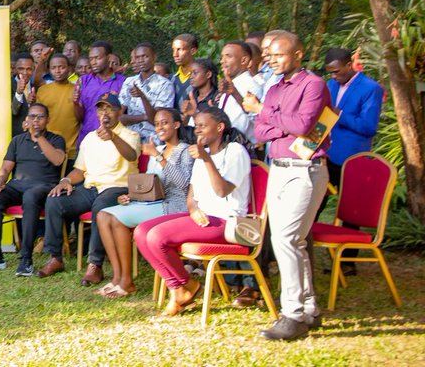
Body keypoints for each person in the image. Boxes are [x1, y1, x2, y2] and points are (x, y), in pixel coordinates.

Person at [251, 32, 331, 341]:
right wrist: (277, 120)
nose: (271, 59)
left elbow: (302, 126)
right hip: (279, 169)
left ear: (298, 54)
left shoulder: (313, 85)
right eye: (269, 55)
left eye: (278, 54)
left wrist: (265, 112)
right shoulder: (274, 88)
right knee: (290, 240)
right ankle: (309, 310)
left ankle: (292, 313)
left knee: (286, 239)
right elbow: (261, 132)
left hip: (306, 170)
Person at [135, 108, 251, 316]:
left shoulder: (235, 151)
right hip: (203, 218)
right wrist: (193, 209)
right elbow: (191, 193)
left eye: (202, 126)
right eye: (196, 126)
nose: (197, 130)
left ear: (220, 127)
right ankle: (183, 287)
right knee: (142, 231)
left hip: (227, 221)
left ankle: (182, 287)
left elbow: (222, 190)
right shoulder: (201, 155)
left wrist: (207, 159)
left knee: (157, 236)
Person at [36, 92, 139, 286]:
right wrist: (65, 180)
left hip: (117, 189)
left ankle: (95, 264)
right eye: (101, 109)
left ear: (119, 112)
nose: (105, 113)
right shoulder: (90, 138)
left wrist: (113, 137)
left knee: (100, 206)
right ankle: (56, 257)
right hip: (90, 187)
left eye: (109, 109)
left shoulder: (130, 135)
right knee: (55, 200)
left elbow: (132, 156)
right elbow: (80, 170)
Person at [95, 108, 193, 297]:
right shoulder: (160, 149)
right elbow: (150, 184)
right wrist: (132, 196)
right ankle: (118, 277)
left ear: (177, 124)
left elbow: (183, 184)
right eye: (156, 124)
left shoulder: (185, 150)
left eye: (164, 122)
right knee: (104, 215)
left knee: (115, 219)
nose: (160, 127)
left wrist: (157, 156)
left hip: (174, 206)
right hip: (154, 203)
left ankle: (126, 282)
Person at [0, 103, 65, 276]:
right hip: (17, 185)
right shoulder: (18, 140)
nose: (36, 120)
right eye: (32, 116)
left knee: (31, 197)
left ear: (48, 120)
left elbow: (57, 160)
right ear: (26, 119)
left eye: (40, 117)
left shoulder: (56, 139)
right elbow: (6, 168)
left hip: (44, 186)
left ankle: (26, 259)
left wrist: (38, 136)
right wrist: (0, 179)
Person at [323, 47, 382, 189]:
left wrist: (340, 115)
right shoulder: (331, 85)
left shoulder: (370, 88)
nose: (333, 76)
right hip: (325, 157)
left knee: (350, 206)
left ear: (349, 65)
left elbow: (369, 127)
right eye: (330, 73)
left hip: (351, 157)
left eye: (336, 71)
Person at [118, 43, 175, 145]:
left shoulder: (165, 85)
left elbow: (155, 120)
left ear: (154, 57)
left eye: (145, 56)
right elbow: (119, 117)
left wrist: (143, 96)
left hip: (153, 142)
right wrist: (145, 117)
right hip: (129, 141)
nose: (140, 60)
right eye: (138, 57)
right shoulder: (129, 82)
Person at [74, 42, 125, 145]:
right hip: (87, 140)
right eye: (91, 58)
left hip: (113, 140)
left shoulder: (123, 82)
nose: (93, 62)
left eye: (97, 58)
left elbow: (123, 115)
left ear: (109, 57)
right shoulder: (83, 81)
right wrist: (75, 103)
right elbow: (80, 118)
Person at [34, 54, 79, 160]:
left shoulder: (77, 90)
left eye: (61, 67)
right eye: (53, 68)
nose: (57, 71)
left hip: (71, 149)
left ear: (69, 69)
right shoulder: (43, 90)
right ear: (49, 70)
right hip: (46, 147)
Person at [218, 41, 259, 145]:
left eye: (228, 56)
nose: (222, 61)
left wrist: (235, 93)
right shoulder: (230, 84)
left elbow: (256, 116)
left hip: (242, 146)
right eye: (222, 57)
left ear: (244, 60)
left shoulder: (251, 85)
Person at [179, 59, 219, 137]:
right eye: (190, 74)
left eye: (195, 73)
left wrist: (195, 113)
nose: (191, 77)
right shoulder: (190, 96)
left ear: (208, 74)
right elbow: (185, 124)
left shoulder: (217, 97)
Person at [10, 54, 35, 137]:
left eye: (29, 69)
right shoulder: (6, 85)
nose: (25, 72)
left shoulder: (37, 87)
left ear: (33, 69)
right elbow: (14, 111)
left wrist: (31, 104)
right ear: (15, 68)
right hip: (15, 137)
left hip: (34, 137)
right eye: (21, 69)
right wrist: (19, 92)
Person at [171, 33, 199, 106]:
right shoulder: (171, 79)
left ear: (193, 51)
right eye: (173, 50)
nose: (175, 54)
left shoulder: (203, 77)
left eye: (179, 49)